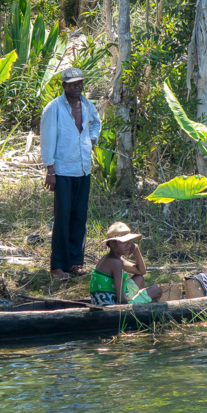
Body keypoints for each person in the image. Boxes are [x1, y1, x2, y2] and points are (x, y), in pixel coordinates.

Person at [40, 67, 102, 280]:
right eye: (73, 84)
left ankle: (76, 262)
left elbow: (96, 123)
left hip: (83, 169)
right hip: (63, 170)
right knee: (63, 217)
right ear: (64, 85)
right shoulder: (54, 108)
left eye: (80, 83)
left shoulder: (86, 104)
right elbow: (48, 138)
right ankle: (58, 265)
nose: (78, 87)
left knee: (79, 217)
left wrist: (92, 139)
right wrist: (50, 169)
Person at [90, 222, 162, 306]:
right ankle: (138, 303)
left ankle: (140, 300)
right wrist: (138, 303)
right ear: (112, 244)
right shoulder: (115, 262)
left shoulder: (113, 258)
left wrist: (136, 250)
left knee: (139, 278)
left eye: (129, 241)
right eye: (123, 242)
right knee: (156, 290)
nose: (128, 245)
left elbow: (141, 271)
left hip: (109, 299)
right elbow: (121, 299)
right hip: (111, 306)